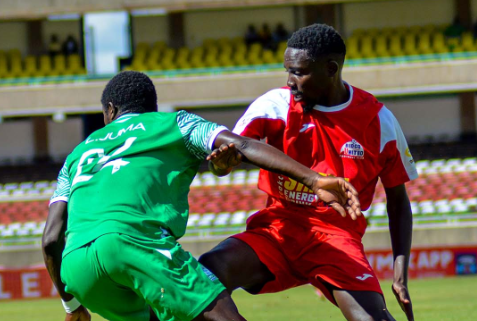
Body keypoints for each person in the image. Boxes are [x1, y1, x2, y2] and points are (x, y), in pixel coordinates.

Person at [42, 71, 361, 321]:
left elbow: (51, 237)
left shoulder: (77, 155)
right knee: (220, 315)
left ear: (109, 111)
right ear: (151, 108)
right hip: (132, 242)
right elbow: (242, 145)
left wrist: (71, 305)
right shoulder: (174, 123)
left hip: (77, 268)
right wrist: (313, 179)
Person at [199, 24, 418, 321]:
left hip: (336, 239)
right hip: (277, 230)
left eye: (299, 72)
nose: (290, 81)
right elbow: (231, 153)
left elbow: (398, 201)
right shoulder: (274, 105)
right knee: (206, 273)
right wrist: (221, 165)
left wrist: (400, 273)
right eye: (288, 71)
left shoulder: (379, 121)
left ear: (330, 69)